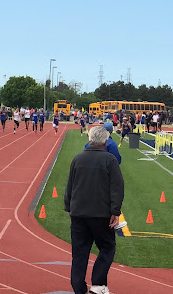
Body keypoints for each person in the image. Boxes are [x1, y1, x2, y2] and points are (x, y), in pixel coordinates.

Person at [65, 126, 124, 294]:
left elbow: (70, 185)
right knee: (107, 247)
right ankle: (98, 286)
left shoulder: (78, 158)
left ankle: (79, 288)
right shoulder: (110, 160)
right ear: (106, 142)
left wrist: (69, 207)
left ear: (89, 139)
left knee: (79, 253)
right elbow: (117, 188)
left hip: (78, 214)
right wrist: (115, 211)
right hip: (101, 215)